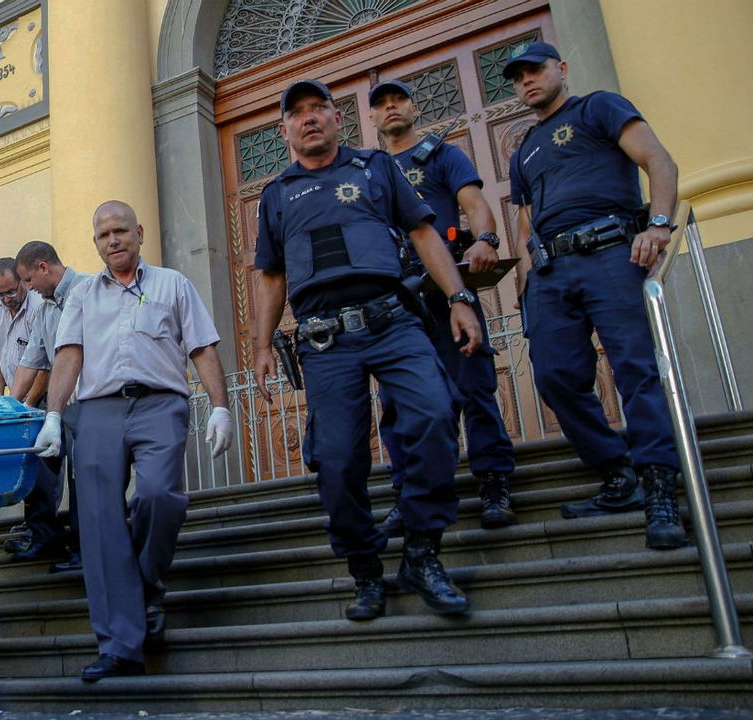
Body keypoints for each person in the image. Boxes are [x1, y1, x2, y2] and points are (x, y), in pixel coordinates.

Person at [251, 79, 484, 623]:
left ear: (338, 119)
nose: (309, 119)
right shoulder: (277, 194)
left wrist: (460, 299)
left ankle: (423, 551)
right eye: (297, 113)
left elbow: (424, 233)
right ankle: (364, 566)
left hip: (393, 320)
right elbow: (271, 276)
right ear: (284, 129)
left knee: (433, 412)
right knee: (336, 460)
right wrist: (262, 345)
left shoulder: (377, 169)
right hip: (325, 340)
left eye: (319, 109)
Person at [34, 200, 234, 682]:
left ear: (139, 232)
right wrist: (54, 416)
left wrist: (221, 406)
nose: (114, 240)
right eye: (104, 235)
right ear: (96, 244)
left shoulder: (173, 284)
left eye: (121, 230)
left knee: (159, 497)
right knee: (100, 523)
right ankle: (121, 645)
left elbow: (202, 348)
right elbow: (68, 356)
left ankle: (143, 587)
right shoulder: (83, 296)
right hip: (99, 410)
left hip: (161, 404)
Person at [505, 42, 686, 549]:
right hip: (550, 270)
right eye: (517, 77)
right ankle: (616, 471)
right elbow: (524, 223)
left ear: (560, 69)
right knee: (556, 375)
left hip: (611, 251)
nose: (527, 82)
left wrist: (658, 225)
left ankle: (659, 487)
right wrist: (528, 280)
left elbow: (658, 159)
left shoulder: (600, 106)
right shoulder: (523, 148)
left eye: (535, 70)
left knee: (634, 368)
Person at [368, 79, 519, 533]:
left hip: (447, 290)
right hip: (397, 302)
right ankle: (408, 492)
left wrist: (487, 239)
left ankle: (493, 481)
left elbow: (474, 203)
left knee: (473, 386)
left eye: (398, 100)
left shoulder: (443, 156)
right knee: (397, 403)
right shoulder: (368, 171)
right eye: (381, 104)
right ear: (371, 118)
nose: (391, 107)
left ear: (414, 107)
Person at [11, 241, 92, 573]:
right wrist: (8, 409)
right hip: (58, 407)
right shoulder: (44, 310)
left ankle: (87, 549)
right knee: (40, 459)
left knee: (83, 476)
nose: (28, 289)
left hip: (93, 403)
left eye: (28, 281)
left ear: (43, 267)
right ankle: (45, 536)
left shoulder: (91, 288)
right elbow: (30, 363)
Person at [0, 257, 65, 562]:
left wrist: (27, 404)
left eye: (10, 291)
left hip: (40, 399)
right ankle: (36, 530)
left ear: (22, 280)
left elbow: (43, 362)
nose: (6, 299)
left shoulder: (38, 305)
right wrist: (0, 400)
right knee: (27, 470)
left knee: (43, 469)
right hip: (15, 401)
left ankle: (46, 535)